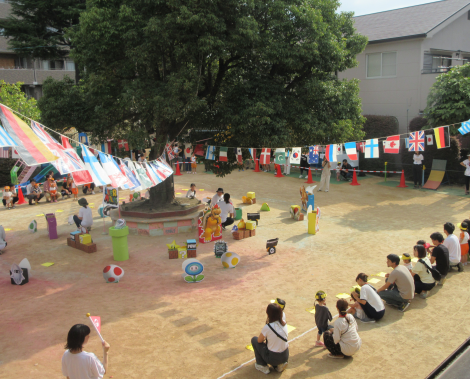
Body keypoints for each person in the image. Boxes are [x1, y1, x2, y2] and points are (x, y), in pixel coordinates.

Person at [251, 303, 289, 374]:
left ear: (268, 314)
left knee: (254, 340)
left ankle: (262, 365)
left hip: (273, 358)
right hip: (285, 356)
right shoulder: (284, 322)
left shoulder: (268, 327)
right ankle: (279, 365)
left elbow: (259, 340)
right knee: (274, 345)